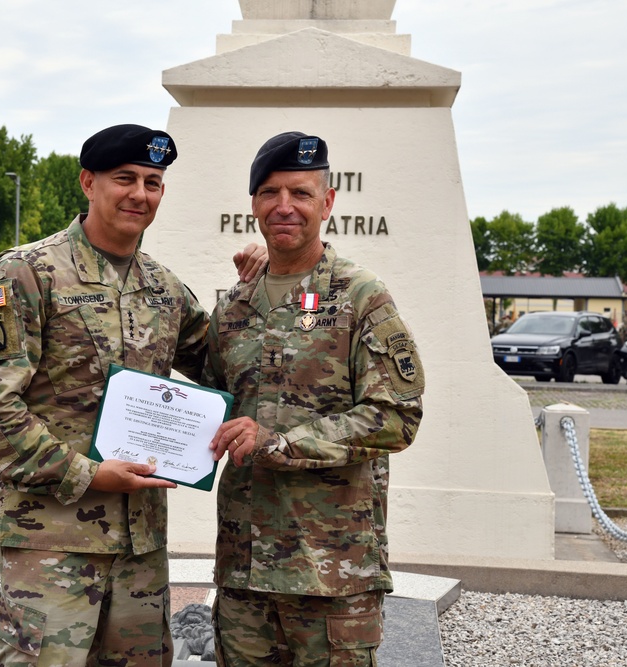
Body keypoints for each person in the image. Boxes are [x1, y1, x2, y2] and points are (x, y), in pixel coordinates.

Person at [0, 123, 264, 666]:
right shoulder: (27, 273)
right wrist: (88, 474)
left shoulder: (163, 288)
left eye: (152, 182)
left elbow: (225, 369)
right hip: (51, 539)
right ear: (87, 182)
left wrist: (258, 290)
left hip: (139, 546)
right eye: (124, 178)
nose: (139, 194)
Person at [201, 132, 426, 666]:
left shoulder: (358, 295)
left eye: (300, 193)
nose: (284, 206)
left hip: (330, 573)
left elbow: (396, 416)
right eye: (270, 193)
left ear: (327, 202)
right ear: (253, 204)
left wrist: (280, 442)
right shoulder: (233, 309)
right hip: (243, 572)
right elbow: (209, 400)